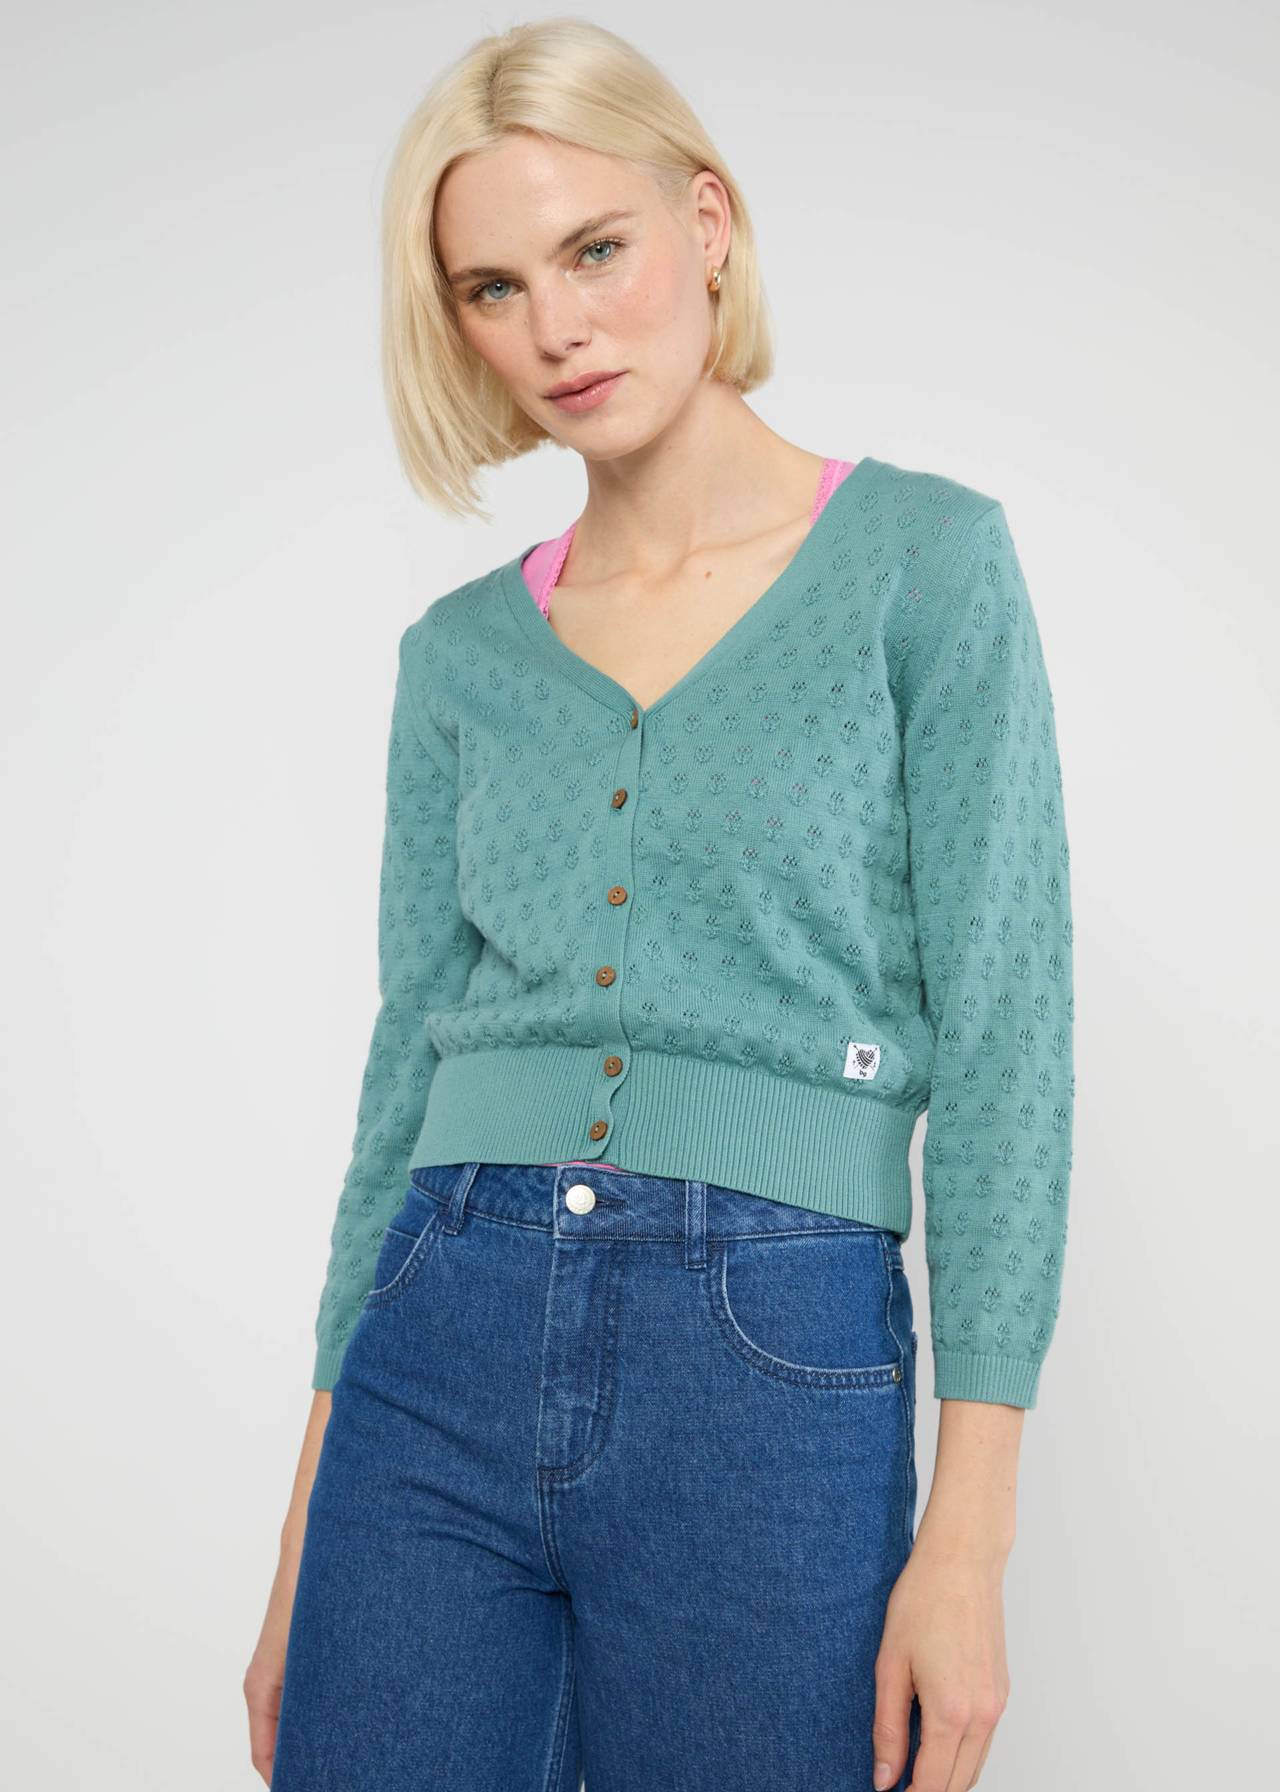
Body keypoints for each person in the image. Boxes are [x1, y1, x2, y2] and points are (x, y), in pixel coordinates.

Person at [245, 18, 1074, 1792]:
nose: (555, 327)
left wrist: (972, 1537)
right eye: (493, 287)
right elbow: (401, 1091)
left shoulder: (925, 565)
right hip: (440, 1330)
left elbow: (1011, 1036)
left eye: (595, 250)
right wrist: (307, 1531)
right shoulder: (460, 657)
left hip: (768, 1359)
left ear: (707, 225)